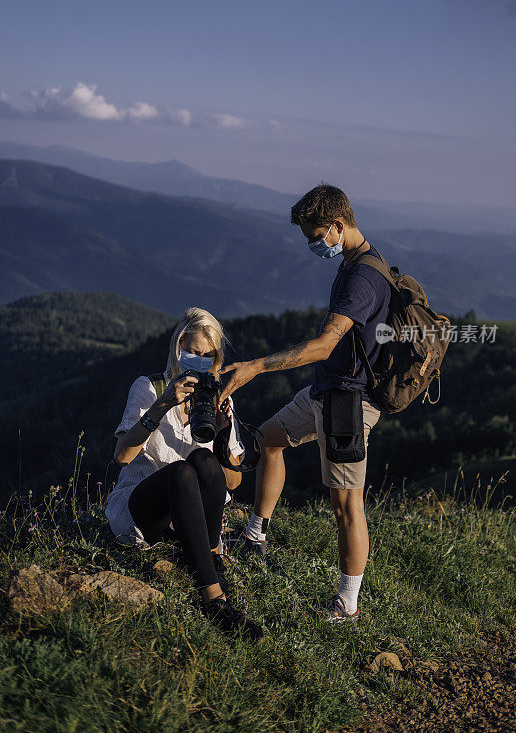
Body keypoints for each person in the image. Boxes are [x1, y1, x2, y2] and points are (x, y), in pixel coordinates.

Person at [218, 184, 391, 623]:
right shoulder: (354, 263)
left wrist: (255, 367)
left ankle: (346, 606)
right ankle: (255, 534)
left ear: (337, 226)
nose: (314, 245)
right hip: (324, 392)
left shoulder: (363, 278)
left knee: (346, 507)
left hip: (348, 405)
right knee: (268, 440)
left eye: (316, 237)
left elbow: (321, 345)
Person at [105, 307, 264, 641]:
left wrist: (222, 434)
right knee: (181, 472)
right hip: (142, 512)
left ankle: (206, 555)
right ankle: (214, 600)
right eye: (192, 351)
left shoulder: (219, 398)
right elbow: (121, 457)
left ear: (217, 358)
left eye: (208, 354)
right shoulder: (149, 388)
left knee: (204, 464)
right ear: (177, 350)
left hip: (186, 520)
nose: (199, 359)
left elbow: (231, 483)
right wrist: (163, 404)